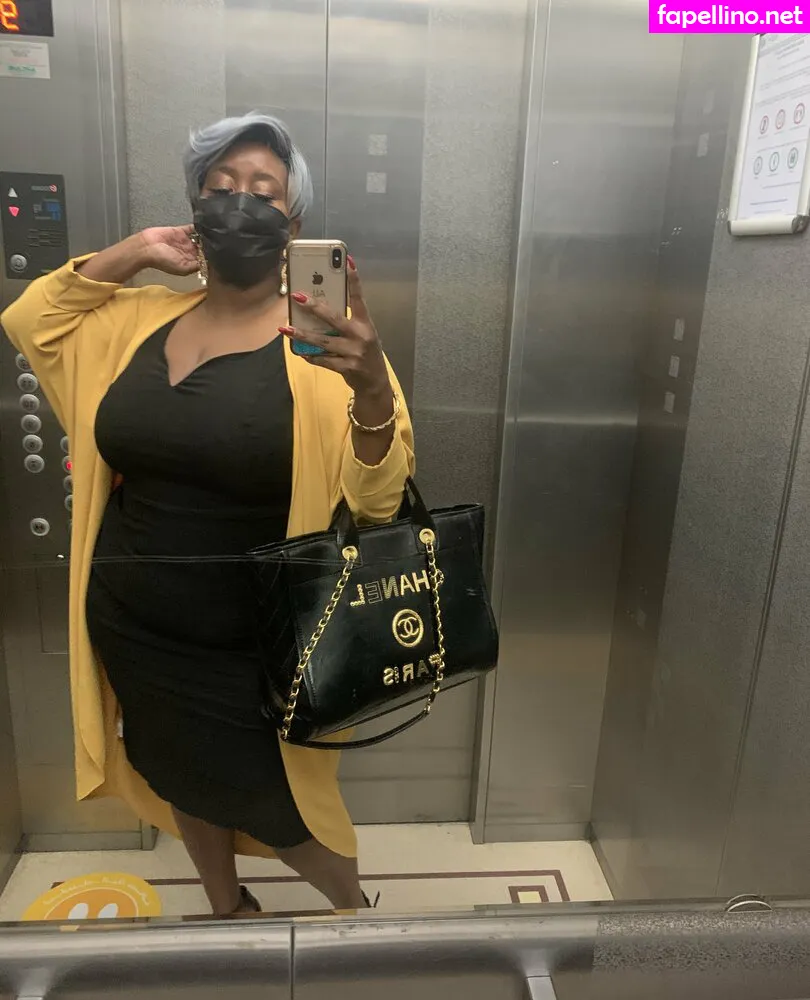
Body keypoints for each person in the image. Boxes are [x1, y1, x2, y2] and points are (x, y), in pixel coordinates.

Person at [1, 112, 414, 916]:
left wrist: (369, 391)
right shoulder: (137, 321)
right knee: (178, 771)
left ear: (293, 221)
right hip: (134, 621)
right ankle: (227, 910)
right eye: (220, 186)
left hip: (256, 642)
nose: (239, 201)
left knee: (284, 807)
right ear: (195, 207)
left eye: (263, 189)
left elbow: (379, 501)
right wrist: (133, 252)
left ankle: (355, 916)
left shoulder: (325, 344)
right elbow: (29, 321)